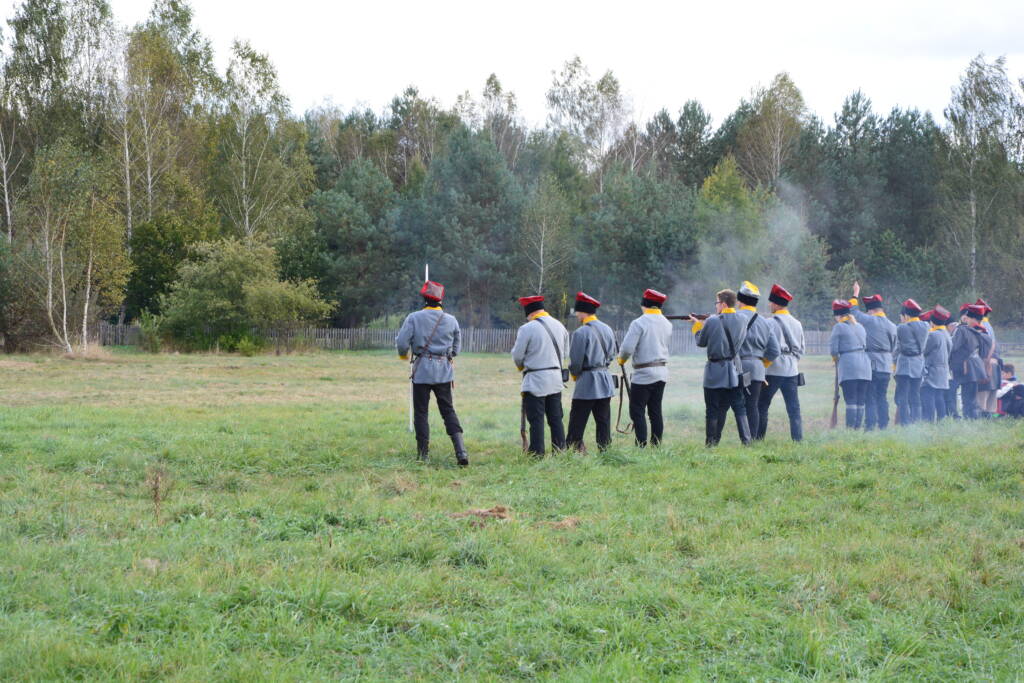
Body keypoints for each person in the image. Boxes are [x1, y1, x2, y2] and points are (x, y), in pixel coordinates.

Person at [396, 280, 468, 466]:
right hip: (444, 371)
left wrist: (404, 354)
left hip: (422, 372)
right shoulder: (451, 320)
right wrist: (447, 356)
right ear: (440, 300)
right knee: (448, 411)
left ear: (424, 299)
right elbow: (457, 348)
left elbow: (402, 343)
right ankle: (461, 452)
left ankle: (423, 456)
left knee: (421, 413)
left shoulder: (413, 317)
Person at [511, 295, 569, 456]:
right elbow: (565, 353)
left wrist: (522, 367)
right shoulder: (560, 326)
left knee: (536, 420)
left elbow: (517, 356)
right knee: (556, 418)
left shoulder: (527, 328)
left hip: (536, 380)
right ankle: (560, 451)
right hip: (556, 379)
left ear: (529, 313)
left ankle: (537, 453)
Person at [694, 289, 751, 446]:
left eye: (717, 303)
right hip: (735, 369)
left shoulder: (712, 321)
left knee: (712, 408)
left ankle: (711, 443)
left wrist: (697, 327)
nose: (716, 306)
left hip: (715, 371)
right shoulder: (743, 319)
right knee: (739, 407)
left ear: (724, 304)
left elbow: (701, 342)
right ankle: (747, 441)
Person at [617, 288, 673, 447]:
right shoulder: (667, 323)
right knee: (655, 411)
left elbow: (627, 348)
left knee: (637, 411)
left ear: (645, 304)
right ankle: (656, 444)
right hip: (661, 372)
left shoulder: (639, 322)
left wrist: (621, 359)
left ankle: (640, 444)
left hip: (643, 373)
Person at [566, 292, 617, 451]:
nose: (576, 315)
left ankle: (573, 450)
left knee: (577, 419)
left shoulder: (581, 332)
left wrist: (575, 374)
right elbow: (612, 354)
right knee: (603, 420)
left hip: (587, 381)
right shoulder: (607, 329)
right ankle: (605, 451)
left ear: (583, 311)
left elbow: (575, 361)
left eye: (578, 311)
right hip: (604, 379)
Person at [757, 284, 804, 442]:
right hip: (791, 370)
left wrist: (763, 364)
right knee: (794, 409)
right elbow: (801, 349)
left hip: (772, 369)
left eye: (771, 303)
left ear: (776, 304)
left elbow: (765, 346)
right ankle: (798, 440)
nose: (769, 305)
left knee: (762, 406)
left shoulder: (769, 323)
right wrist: (791, 362)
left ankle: (758, 439)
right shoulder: (797, 323)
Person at [735, 281, 780, 441]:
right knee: (752, 405)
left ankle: (714, 439)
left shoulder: (733, 317)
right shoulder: (766, 322)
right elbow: (775, 351)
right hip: (757, 369)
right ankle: (751, 440)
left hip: (736, 367)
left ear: (740, 300)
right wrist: (762, 363)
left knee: (729, 404)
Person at [849, 283, 897, 430]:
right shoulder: (892, 325)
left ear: (871, 310)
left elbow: (852, 311)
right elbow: (894, 346)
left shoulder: (870, 320)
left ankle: (870, 425)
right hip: (886, 365)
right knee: (882, 396)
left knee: (870, 396)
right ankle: (883, 425)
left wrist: (855, 293)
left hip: (872, 364)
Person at [830, 299, 871, 429]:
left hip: (849, 366)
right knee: (860, 399)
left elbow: (834, 350)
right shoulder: (860, 326)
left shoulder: (838, 327)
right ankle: (857, 428)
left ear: (838, 315)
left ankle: (850, 429)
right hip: (865, 366)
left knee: (851, 399)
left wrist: (836, 360)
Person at [949, 303, 990, 419]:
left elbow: (952, 347)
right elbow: (984, 352)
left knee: (953, 394)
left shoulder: (962, 330)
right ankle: (971, 419)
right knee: (970, 399)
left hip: (962, 367)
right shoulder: (981, 331)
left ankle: (956, 417)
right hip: (976, 367)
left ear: (970, 318)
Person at [893, 298, 929, 425]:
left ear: (906, 315)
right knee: (915, 395)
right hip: (918, 364)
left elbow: (897, 348)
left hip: (904, 365)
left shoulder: (901, 328)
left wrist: (893, 363)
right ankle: (916, 422)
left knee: (903, 396)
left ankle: (905, 423)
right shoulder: (926, 326)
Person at [920, 306, 952, 422]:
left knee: (927, 397)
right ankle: (941, 421)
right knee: (939, 398)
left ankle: (928, 421)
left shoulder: (933, 335)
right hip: (943, 370)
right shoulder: (946, 334)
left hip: (932, 371)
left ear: (932, 321)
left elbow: (924, 350)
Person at [975, 299, 1001, 418]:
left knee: (982, 396)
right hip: (994, 363)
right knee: (991, 396)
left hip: (986, 364)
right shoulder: (988, 325)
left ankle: (982, 422)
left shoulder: (981, 326)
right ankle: (989, 420)